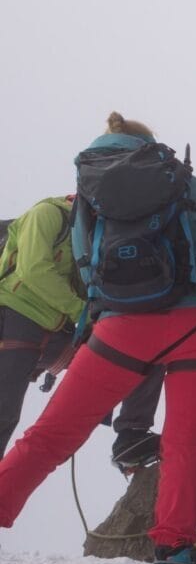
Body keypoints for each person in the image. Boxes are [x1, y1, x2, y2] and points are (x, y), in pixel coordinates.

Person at [0, 113, 196, 564]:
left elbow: (87, 258)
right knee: (185, 446)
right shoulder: (182, 178)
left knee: (49, 436)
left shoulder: (91, 185)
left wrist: (96, 317)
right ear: (151, 147)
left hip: (123, 324)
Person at [0, 193, 81, 454]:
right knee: (4, 411)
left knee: (6, 412)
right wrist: (83, 311)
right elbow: (34, 269)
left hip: (46, 328)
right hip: (14, 311)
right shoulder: (48, 214)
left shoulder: (90, 236)